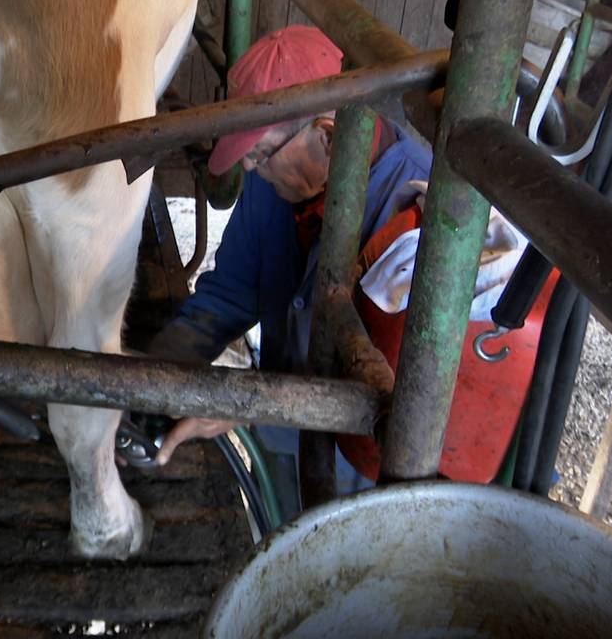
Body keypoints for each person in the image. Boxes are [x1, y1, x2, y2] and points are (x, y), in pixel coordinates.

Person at [146, 26, 544, 519]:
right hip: (282, 443)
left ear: (328, 137)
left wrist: (241, 406)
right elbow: (229, 293)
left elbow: (413, 399)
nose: (248, 168)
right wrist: (154, 379)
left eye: (260, 153)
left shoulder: (428, 227)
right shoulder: (272, 187)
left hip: (372, 476)